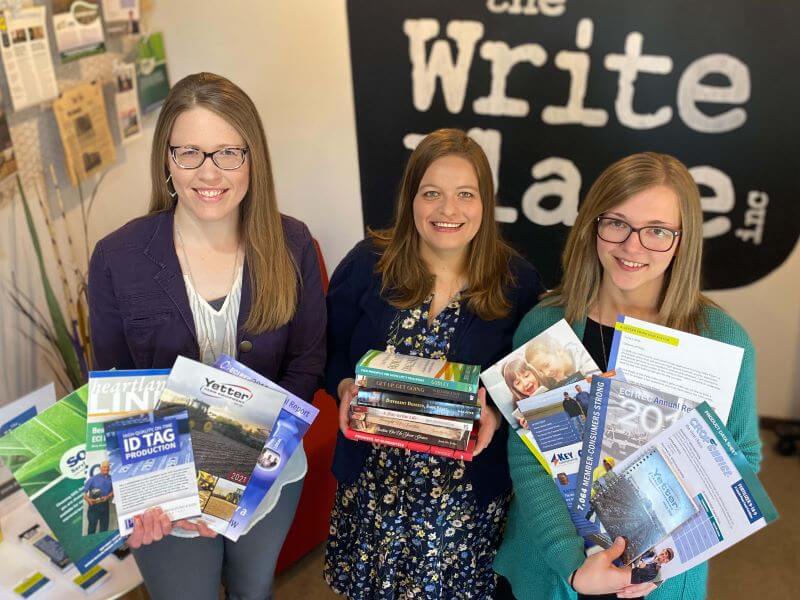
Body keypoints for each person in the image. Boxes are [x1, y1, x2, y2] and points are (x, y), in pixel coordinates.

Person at [87, 72, 326, 600]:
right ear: (167, 160)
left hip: (270, 470)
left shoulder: (292, 244)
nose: (209, 172)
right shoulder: (117, 258)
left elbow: (305, 366)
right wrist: (166, 492)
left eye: (227, 153)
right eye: (189, 152)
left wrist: (227, 485)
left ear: (252, 158)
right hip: (166, 490)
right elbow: (118, 384)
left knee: (253, 591)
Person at [493, 152, 761, 600]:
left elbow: (741, 460)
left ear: (682, 239)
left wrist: (661, 562)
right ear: (591, 225)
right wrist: (572, 564)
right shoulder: (548, 325)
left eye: (657, 230)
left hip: (660, 581)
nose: (632, 247)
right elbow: (528, 459)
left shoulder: (722, 339)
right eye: (617, 223)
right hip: (551, 571)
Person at [323, 128, 543, 599]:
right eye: (432, 194)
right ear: (411, 199)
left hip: (464, 501)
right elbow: (330, 348)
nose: (448, 210)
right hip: (375, 489)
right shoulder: (369, 264)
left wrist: (497, 414)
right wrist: (343, 386)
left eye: (466, 194)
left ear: (486, 202)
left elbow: (532, 384)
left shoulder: (517, 282)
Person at [83, 461, 113, 533]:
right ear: (100, 468)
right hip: (94, 506)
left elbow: (113, 491)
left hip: (105, 505)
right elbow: (84, 493)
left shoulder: (112, 479)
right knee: (92, 527)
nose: (106, 468)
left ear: (109, 468)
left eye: (108, 467)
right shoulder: (93, 479)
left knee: (104, 528)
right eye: (104, 467)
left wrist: (108, 496)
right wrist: (88, 500)